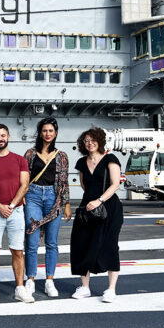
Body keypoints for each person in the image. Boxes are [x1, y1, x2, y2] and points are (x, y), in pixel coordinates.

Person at [0, 124, 34, 304]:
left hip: (16, 211)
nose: (0, 139)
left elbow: (24, 185)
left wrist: (10, 205)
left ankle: (20, 288)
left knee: (17, 251)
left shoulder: (20, 160)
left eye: (3, 135)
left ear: (8, 136)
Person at [71, 127, 123, 303]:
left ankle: (111, 289)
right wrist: (91, 202)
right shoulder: (81, 162)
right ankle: (85, 287)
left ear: (100, 141)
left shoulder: (110, 159)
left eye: (93, 140)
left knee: (109, 245)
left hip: (109, 208)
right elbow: (85, 185)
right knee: (82, 245)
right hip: (87, 207)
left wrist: (99, 200)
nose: (90, 143)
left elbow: (115, 184)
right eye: (86, 141)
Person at [23, 117, 71, 298]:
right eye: (44, 130)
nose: (48, 134)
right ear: (40, 133)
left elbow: (64, 182)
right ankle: (31, 279)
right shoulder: (30, 153)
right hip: (33, 196)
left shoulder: (61, 156)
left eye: (51, 131)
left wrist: (66, 204)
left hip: (54, 198)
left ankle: (50, 280)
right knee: (32, 241)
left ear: (56, 133)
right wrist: (22, 197)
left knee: (52, 242)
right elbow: (23, 177)